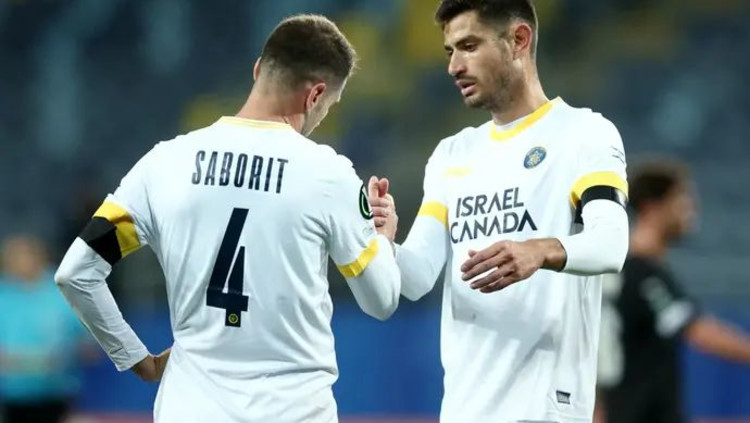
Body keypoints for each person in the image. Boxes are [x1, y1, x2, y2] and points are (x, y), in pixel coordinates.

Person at [55, 14, 401, 423]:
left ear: (257, 69)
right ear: (316, 95)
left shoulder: (165, 163)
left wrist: (136, 359)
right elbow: (380, 300)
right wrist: (381, 238)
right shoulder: (328, 174)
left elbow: (75, 274)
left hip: (189, 409)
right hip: (293, 411)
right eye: (329, 106)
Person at [369, 0, 629, 422]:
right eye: (450, 51)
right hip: (463, 409)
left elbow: (611, 244)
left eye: (469, 46)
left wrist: (539, 250)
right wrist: (386, 243)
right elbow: (416, 279)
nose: (454, 66)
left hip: (543, 408)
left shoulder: (584, 133)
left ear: (519, 40)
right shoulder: (452, 153)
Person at [597, 160, 750, 423]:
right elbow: (698, 331)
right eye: (682, 199)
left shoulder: (630, 268)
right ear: (651, 207)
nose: (691, 209)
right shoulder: (642, 273)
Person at [0, 235, 90, 423]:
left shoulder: (64, 292)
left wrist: (65, 355)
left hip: (56, 393)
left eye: (25, 256)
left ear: (39, 258)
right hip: (9, 396)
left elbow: (89, 344)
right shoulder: (3, 295)